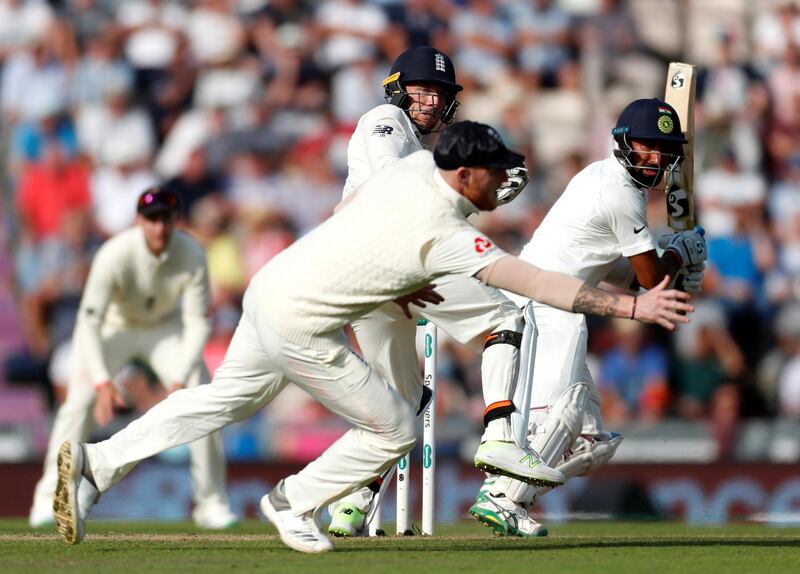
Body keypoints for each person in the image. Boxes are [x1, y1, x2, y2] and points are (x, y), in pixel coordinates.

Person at [53, 120, 692, 554]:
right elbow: (535, 283)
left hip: (272, 289)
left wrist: (390, 277)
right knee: (396, 429)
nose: (503, 183)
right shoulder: (446, 234)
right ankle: (292, 502)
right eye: (494, 173)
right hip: (305, 326)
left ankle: (98, 462)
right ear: (465, 174)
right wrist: (633, 307)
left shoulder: (408, 169)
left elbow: (348, 217)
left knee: (223, 400)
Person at [469, 98, 708, 537]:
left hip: (549, 297)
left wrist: (675, 259)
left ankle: (508, 495)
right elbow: (653, 280)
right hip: (545, 302)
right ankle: (501, 496)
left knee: (593, 441)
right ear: (622, 143)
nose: (655, 158)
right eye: (647, 145)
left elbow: (631, 280)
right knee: (569, 404)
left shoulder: (608, 179)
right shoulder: (619, 192)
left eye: (664, 149)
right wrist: (679, 253)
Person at [328, 45, 533, 538]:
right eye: (423, 91)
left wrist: (477, 193)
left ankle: (352, 504)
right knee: (506, 320)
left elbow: (425, 208)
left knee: (396, 403)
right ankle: (499, 437)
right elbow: (394, 190)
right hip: (391, 263)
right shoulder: (384, 118)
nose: (432, 102)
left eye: (441, 95)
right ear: (398, 88)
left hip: (368, 274)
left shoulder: (422, 153)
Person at [31, 187, 237, 530]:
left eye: (166, 219)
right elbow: (89, 321)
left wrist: (178, 380)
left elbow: (198, 321)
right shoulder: (114, 254)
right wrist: (101, 382)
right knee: (77, 403)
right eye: (152, 219)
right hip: (116, 327)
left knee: (200, 392)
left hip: (164, 331)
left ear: (176, 221)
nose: (159, 228)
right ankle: (46, 496)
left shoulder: (191, 252)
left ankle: (210, 502)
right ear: (139, 221)